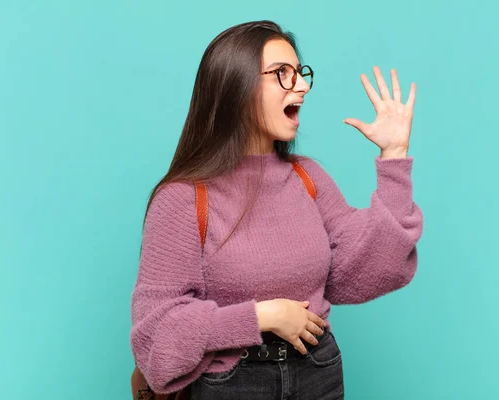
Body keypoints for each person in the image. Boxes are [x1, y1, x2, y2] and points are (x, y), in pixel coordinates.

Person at [130, 20, 423, 400]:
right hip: (233, 385)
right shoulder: (183, 198)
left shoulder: (308, 178)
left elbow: (374, 267)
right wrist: (260, 317)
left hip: (318, 373)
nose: (300, 85)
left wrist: (394, 156)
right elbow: (156, 333)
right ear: (236, 87)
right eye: (282, 74)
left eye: (300, 73)